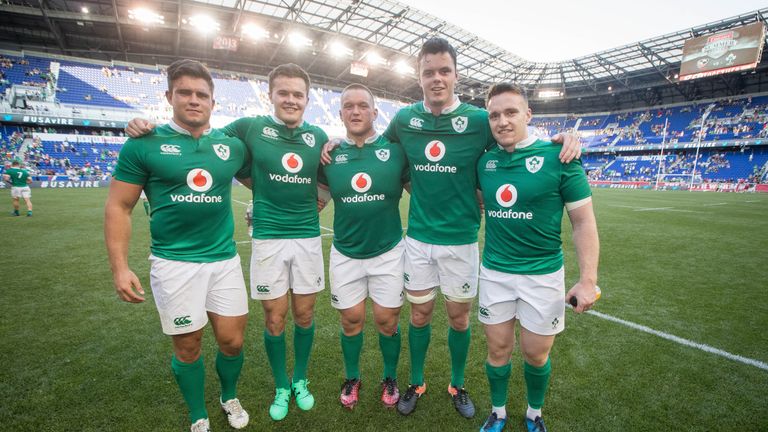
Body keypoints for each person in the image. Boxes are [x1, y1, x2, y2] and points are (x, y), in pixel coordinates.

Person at [353, 37, 581, 419]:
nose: (437, 78)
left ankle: (457, 384)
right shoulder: (405, 119)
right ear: (419, 76)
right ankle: (417, 380)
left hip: (461, 242)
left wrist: (564, 138)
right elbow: (378, 150)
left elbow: (520, 137)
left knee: (459, 318)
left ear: (456, 75)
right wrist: (338, 143)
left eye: (444, 71)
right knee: (419, 316)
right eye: (429, 72)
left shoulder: (480, 120)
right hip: (419, 241)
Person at [126, 63, 329, 422]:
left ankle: (301, 380)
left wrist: (322, 195)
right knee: (275, 319)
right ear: (271, 96)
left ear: (308, 99)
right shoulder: (248, 127)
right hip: (267, 238)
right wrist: (148, 126)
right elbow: (203, 138)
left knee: (306, 315)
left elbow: (330, 174)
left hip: (308, 239)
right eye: (283, 92)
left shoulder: (318, 136)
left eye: (298, 94)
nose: (291, 100)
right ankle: (282, 386)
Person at [105, 59, 252, 432]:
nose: (193, 100)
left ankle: (228, 396)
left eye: (202, 94)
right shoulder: (144, 145)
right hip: (174, 264)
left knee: (233, 342)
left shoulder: (230, 146)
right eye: (184, 92)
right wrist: (120, 268)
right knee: (188, 348)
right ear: (169, 96)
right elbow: (119, 206)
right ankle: (197, 415)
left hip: (224, 261)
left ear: (213, 103)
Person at [476, 82, 600, 432]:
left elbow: (583, 221)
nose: (502, 121)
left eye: (511, 112)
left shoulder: (560, 157)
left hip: (542, 276)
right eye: (495, 115)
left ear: (528, 115)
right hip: (496, 273)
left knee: (535, 354)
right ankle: (498, 411)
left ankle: (534, 413)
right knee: (497, 350)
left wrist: (588, 279)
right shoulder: (484, 162)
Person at [317, 84, 409, 410]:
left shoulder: (395, 151)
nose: (355, 111)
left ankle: (389, 376)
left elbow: (424, 191)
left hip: (388, 253)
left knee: (387, 320)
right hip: (345, 253)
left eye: (361, 106)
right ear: (340, 113)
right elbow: (316, 202)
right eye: (347, 106)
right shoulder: (329, 155)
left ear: (374, 112)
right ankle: (353, 377)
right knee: (351, 320)